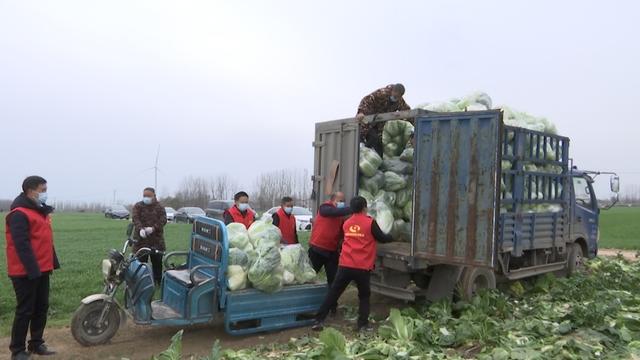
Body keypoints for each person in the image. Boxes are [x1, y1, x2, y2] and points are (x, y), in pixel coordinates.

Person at [312, 196, 393, 332]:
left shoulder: (347, 223)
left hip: (345, 265)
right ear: (364, 208)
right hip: (362, 266)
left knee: (334, 293)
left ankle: (318, 320)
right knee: (364, 296)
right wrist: (392, 237)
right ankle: (362, 325)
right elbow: (382, 238)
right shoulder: (370, 223)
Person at [5, 176, 59, 359]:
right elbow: (21, 245)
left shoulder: (39, 212)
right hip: (24, 272)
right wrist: (32, 270)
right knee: (25, 310)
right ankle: (17, 350)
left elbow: (45, 241)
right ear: (30, 190)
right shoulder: (19, 214)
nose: (45, 193)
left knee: (41, 307)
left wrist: (52, 263)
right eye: (42, 190)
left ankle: (36, 343)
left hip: (42, 269)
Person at [308, 191, 352, 314]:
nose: (342, 203)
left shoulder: (341, 216)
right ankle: (302, 304)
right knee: (308, 276)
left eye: (343, 201)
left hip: (331, 252)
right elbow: (334, 212)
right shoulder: (325, 208)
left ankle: (332, 306)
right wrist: (352, 208)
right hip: (317, 249)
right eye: (340, 200)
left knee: (333, 281)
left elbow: (341, 231)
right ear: (333, 200)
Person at [356, 83, 411, 156]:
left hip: (379, 125)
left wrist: (415, 123)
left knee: (379, 145)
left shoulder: (399, 101)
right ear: (393, 91)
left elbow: (407, 112)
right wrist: (361, 112)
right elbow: (366, 100)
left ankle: (377, 161)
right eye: (395, 96)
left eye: (398, 97)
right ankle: (363, 152)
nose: (395, 98)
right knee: (372, 138)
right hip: (368, 121)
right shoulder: (382, 93)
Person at [132, 187, 167, 285]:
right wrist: (140, 229)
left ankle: (157, 283)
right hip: (141, 241)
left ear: (154, 196)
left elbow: (163, 220)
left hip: (156, 241)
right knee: (140, 263)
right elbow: (135, 218)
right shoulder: (138, 206)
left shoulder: (160, 207)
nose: (146, 198)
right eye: (144, 196)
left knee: (157, 263)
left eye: (148, 196)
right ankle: (140, 283)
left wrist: (153, 228)